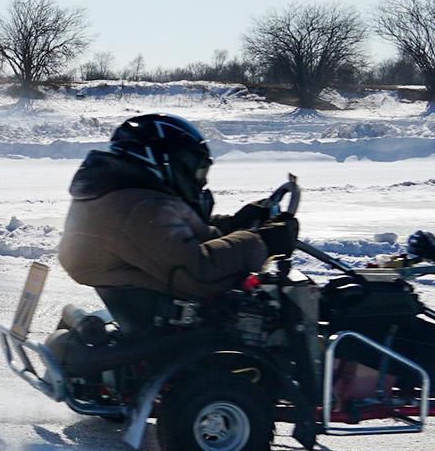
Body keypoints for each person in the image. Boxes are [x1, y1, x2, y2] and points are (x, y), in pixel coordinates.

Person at [57, 114, 297, 332]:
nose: (200, 183)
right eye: (198, 172)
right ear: (167, 161)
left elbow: (176, 238)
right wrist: (262, 241)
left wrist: (234, 224)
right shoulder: (140, 208)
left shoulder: (127, 195)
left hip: (148, 308)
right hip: (166, 328)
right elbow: (197, 272)